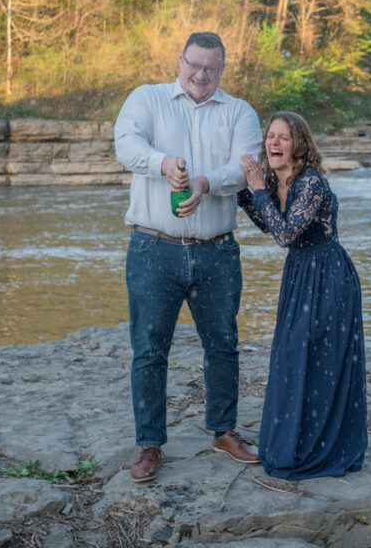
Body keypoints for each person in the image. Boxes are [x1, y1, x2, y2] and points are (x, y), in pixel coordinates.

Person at [114, 31, 263, 482]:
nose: (200, 75)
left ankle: (223, 431)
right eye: (193, 65)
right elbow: (126, 143)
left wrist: (204, 182)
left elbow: (247, 164)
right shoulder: (148, 99)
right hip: (152, 247)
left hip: (217, 250)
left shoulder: (239, 111)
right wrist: (163, 164)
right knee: (149, 349)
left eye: (211, 69)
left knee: (223, 344)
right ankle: (149, 444)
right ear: (179, 61)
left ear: (222, 69)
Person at [239, 111, 367, 480]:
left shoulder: (310, 182)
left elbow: (286, 235)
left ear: (299, 145)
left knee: (317, 359)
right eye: (270, 136)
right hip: (299, 274)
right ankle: (291, 443)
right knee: (291, 357)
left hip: (328, 277)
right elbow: (269, 224)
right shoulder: (275, 179)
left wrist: (256, 190)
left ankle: (322, 446)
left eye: (283, 137)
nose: (274, 143)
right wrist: (243, 193)